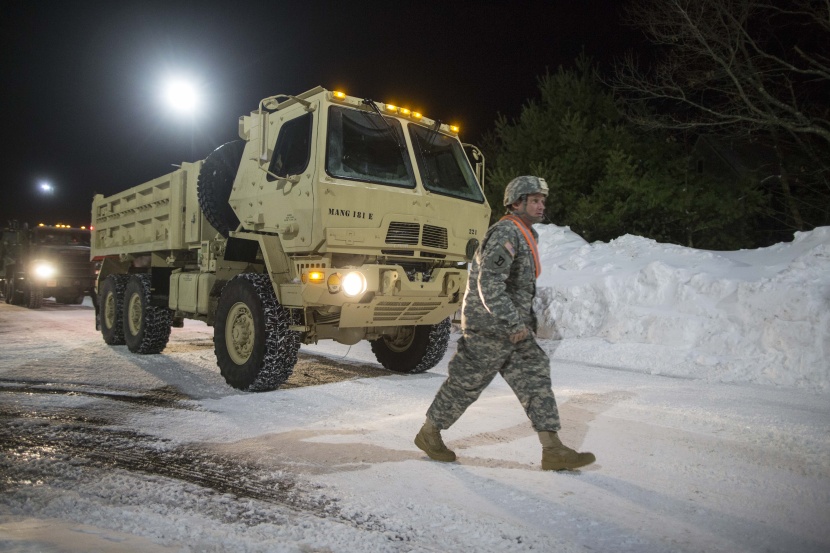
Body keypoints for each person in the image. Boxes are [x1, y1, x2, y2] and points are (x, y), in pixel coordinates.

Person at [414, 175, 596, 471]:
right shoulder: (505, 234)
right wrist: (512, 322)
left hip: (512, 329)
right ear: (516, 203)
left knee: (535, 376)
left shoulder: (525, 234)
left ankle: (553, 449)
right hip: (489, 327)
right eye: (534, 200)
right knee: (466, 384)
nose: (541, 206)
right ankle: (429, 434)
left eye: (542, 201)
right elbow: (489, 284)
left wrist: (521, 323)